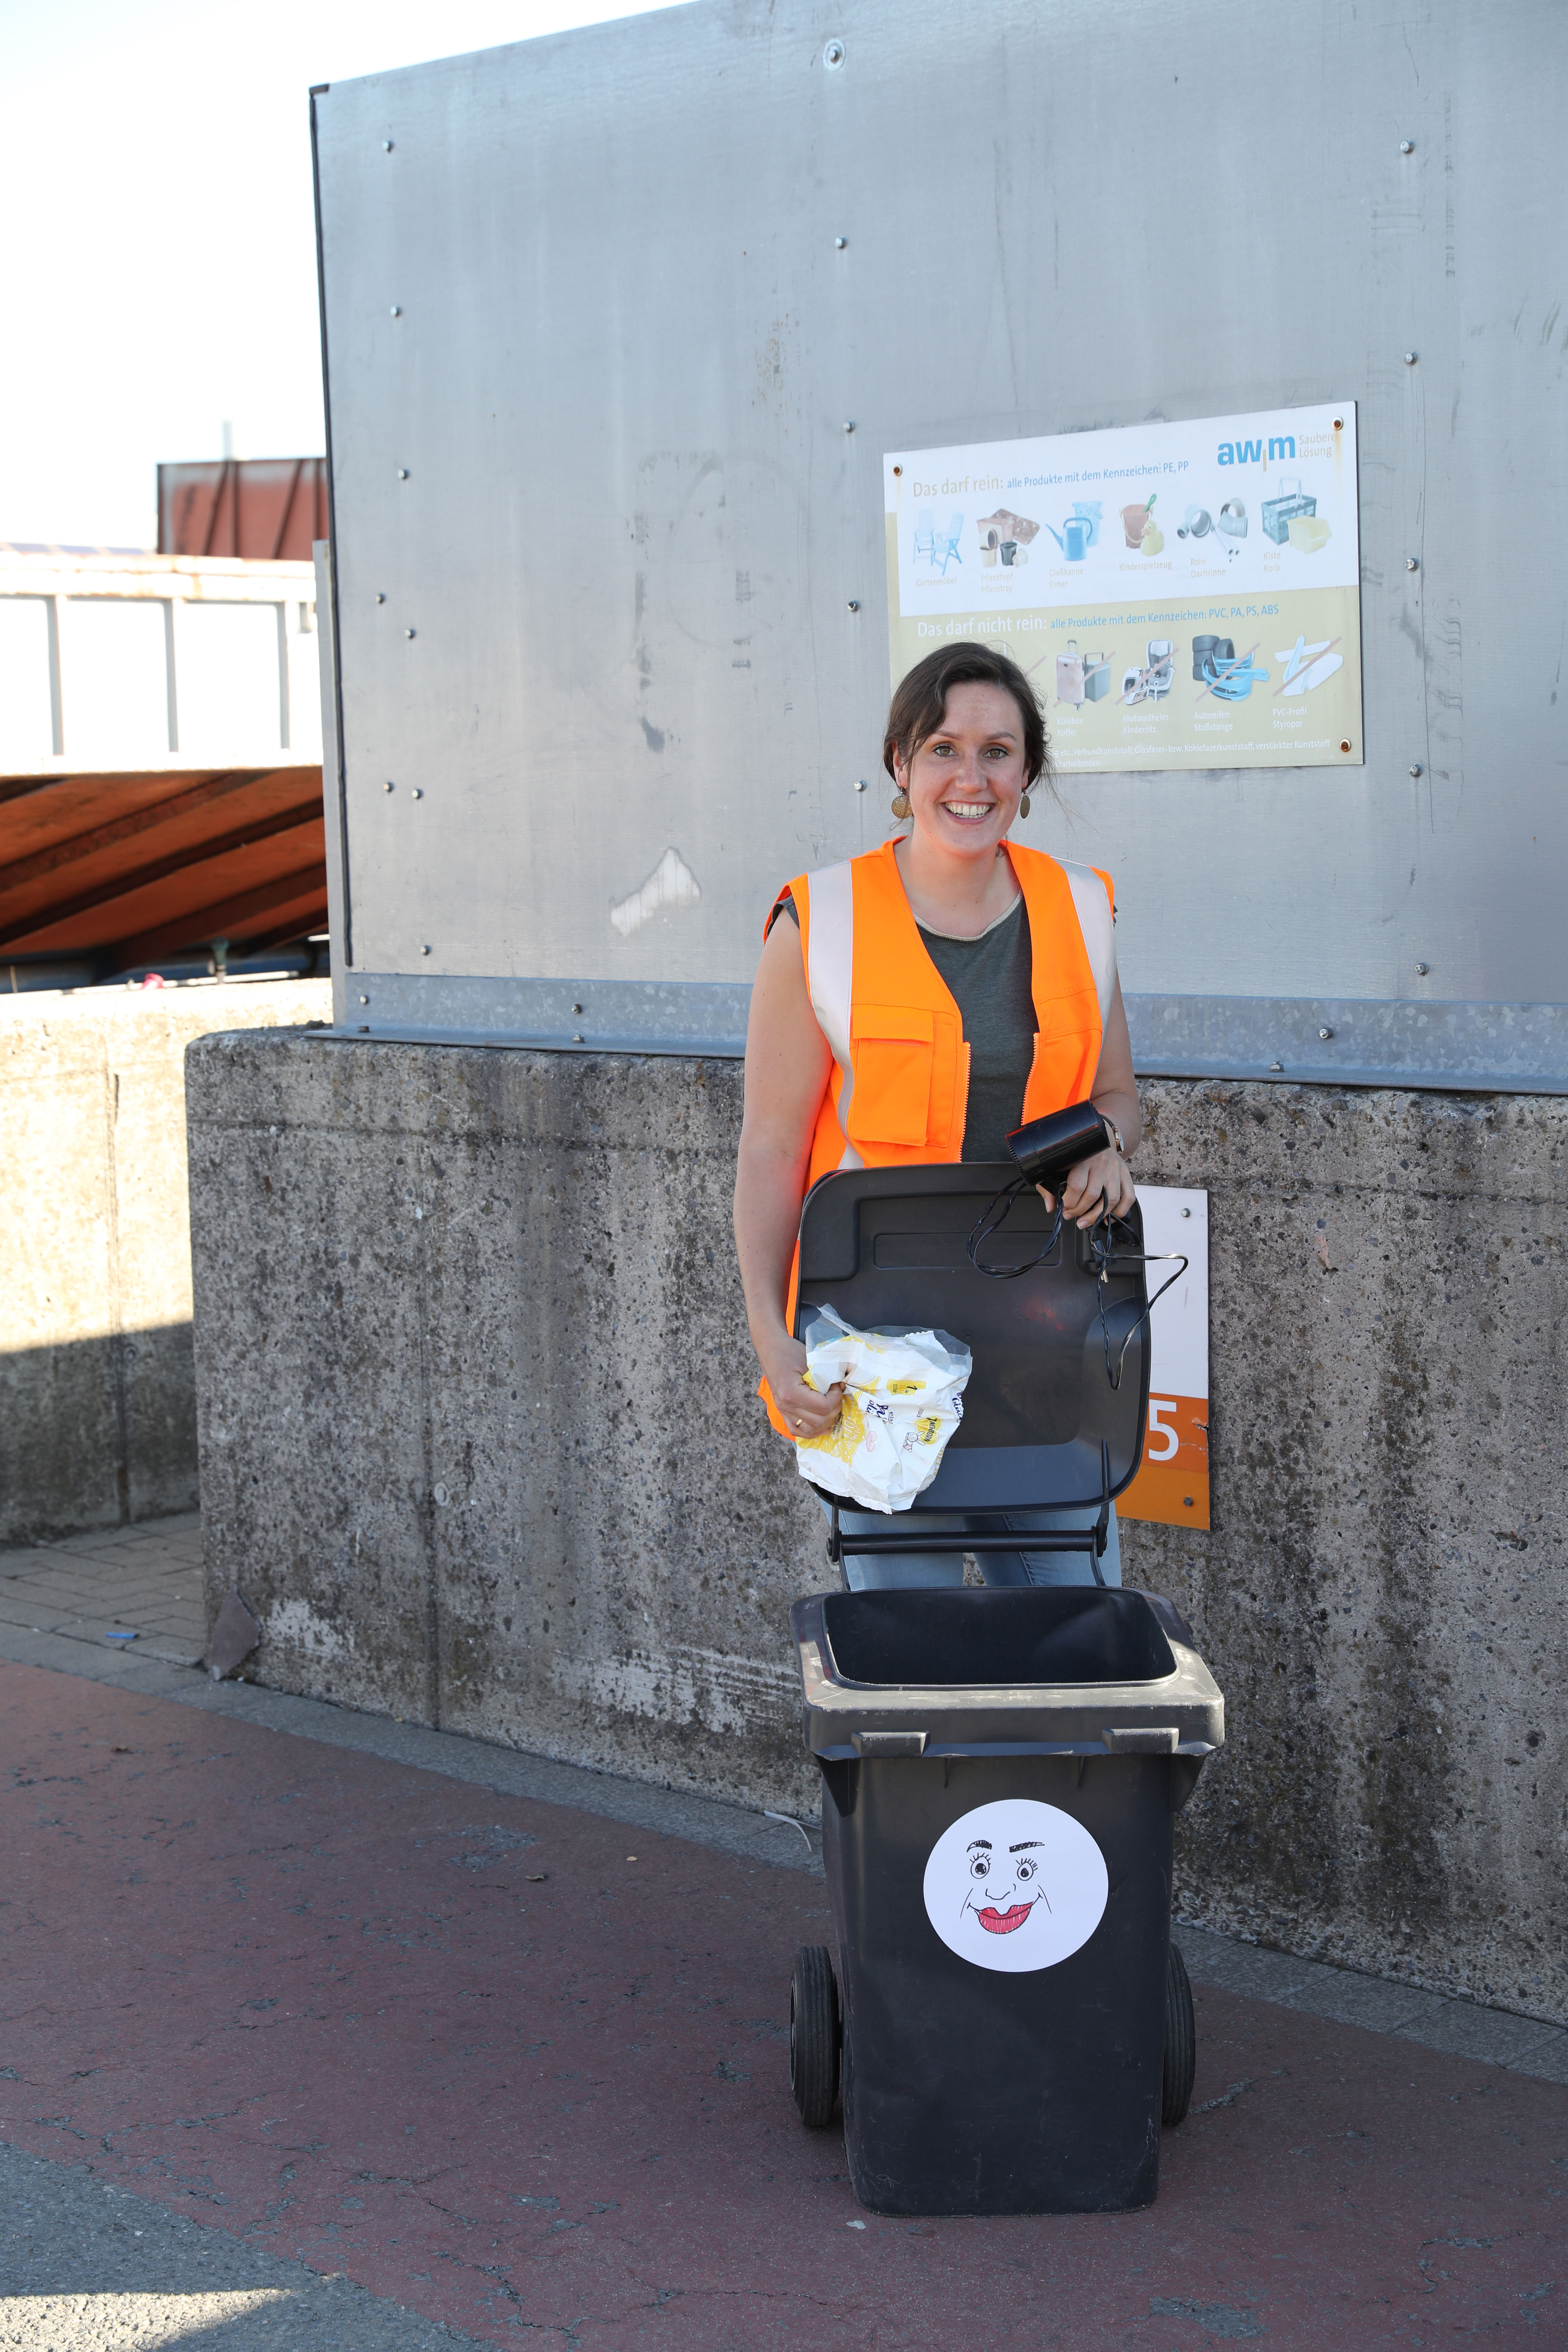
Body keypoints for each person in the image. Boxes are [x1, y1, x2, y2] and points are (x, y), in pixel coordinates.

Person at [732, 641, 1142, 1590]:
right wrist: (769, 1333)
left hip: (1043, 1324)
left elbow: (1118, 1096)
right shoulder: (817, 919)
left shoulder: (1083, 908)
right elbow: (771, 1148)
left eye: (998, 751)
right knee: (903, 1644)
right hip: (875, 1349)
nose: (972, 777)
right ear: (900, 765)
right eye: (943, 748)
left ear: (1027, 771)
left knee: (1065, 1627)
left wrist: (1110, 1147)